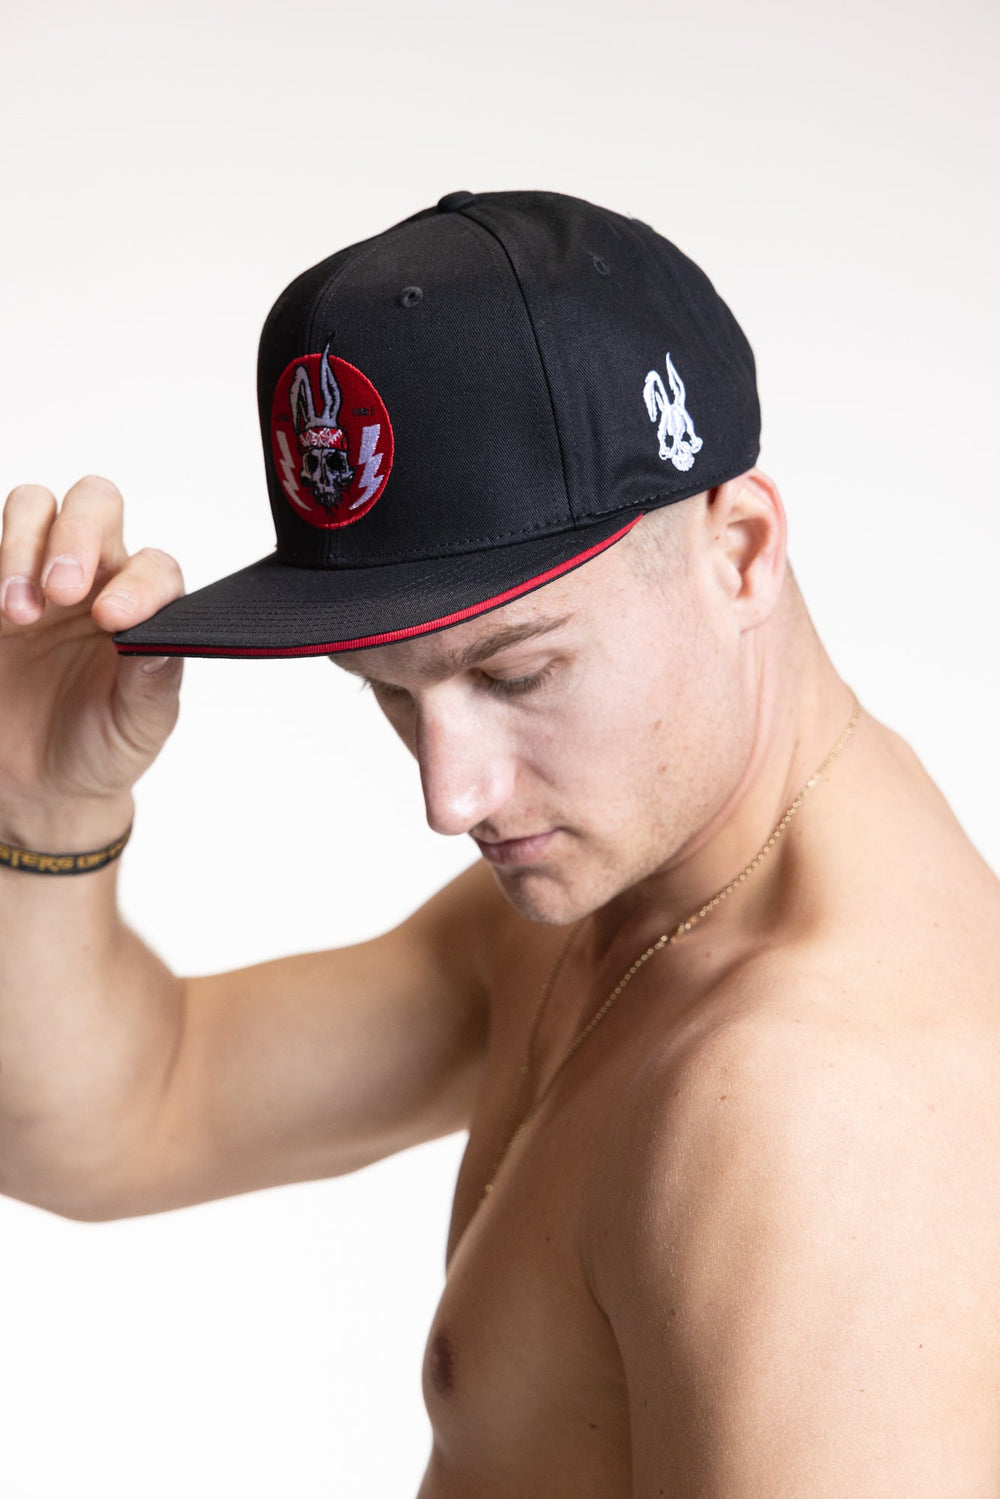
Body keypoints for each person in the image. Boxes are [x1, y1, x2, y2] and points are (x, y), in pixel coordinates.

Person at [1, 190, 998, 1496]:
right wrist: (43, 807)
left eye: (517, 675)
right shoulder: (635, 898)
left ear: (742, 551)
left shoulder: (822, 1111)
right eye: (389, 692)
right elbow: (127, 1116)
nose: (449, 794)